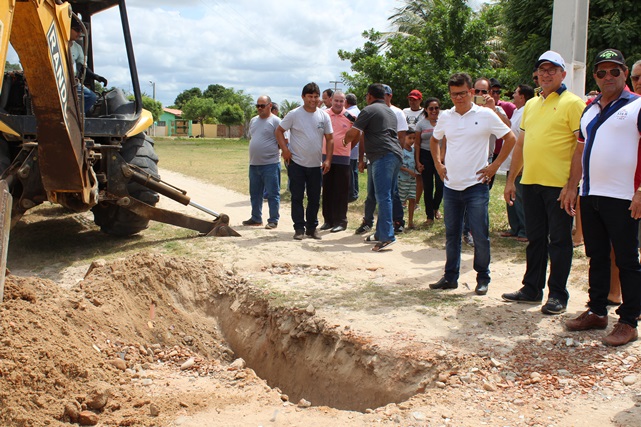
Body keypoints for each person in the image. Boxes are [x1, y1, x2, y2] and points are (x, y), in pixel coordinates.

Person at [563, 49, 641, 346]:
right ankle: (597, 311)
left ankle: (629, 320)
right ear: (595, 76)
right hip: (591, 192)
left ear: (624, 74)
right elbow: (580, 150)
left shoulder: (637, 106)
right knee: (595, 255)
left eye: (614, 71)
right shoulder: (590, 108)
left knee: (626, 259)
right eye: (601, 72)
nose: (608, 77)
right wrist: (572, 186)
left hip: (623, 196)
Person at [502, 51, 586, 315]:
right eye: (542, 69)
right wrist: (512, 180)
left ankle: (558, 295)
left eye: (553, 69)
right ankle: (531, 288)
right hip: (532, 183)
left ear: (563, 74)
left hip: (559, 187)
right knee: (535, 238)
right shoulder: (532, 106)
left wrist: (572, 185)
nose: (547, 74)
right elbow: (521, 144)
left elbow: (580, 148)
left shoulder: (574, 103)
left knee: (559, 241)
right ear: (536, 75)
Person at [429, 72, 515, 296]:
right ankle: (450, 277)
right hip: (451, 185)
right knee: (452, 234)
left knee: (479, 234)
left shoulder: (485, 115)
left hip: (476, 185)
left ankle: (483, 277)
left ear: (471, 92)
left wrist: (494, 166)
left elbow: (510, 138)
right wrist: (438, 164)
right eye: (454, 94)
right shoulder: (446, 116)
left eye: (463, 93)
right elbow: (434, 139)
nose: (458, 98)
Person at [343, 83, 402, 252]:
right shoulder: (389, 111)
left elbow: (354, 134)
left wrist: (344, 140)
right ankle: (380, 233)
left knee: (383, 196)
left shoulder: (369, 110)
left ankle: (387, 237)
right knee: (387, 196)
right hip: (394, 155)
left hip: (383, 155)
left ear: (369, 96)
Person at [275, 83, 333, 240]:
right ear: (303, 97)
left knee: (314, 198)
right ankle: (299, 228)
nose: (313, 100)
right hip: (297, 164)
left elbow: (330, 139)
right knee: (297, 197)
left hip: (316, 165)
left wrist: (328, 159)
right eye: (310, 96)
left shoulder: (323, 116)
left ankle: (312, 228)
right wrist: (285, 150)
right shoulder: (294, 114)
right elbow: (279, 131)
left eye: (316, 97)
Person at [498, 84, 534, 242]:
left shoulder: (528, 111)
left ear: (523, 96)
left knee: (520, 197)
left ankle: (525, 230)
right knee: (510, 196)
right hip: (510, 162)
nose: (513, 94)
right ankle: (515, 227)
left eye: (516, 92)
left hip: (520, 163)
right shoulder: (517, 111)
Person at [243, 96, 281, 229]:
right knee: (255, 193)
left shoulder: (276, 121)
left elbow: (283, 141)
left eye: (262, 105)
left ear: (269, 105)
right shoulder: (253, 120)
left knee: (272, 193)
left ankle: (273, 220)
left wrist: (271, 152)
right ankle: (256, 218)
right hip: (254, 164)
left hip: (270, 164)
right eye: (257, 106)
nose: (259, 108)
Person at [320, 91, 352, 233]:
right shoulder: (323, 114)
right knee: (327, 189)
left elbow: (357, 135)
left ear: (345, 102)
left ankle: (341, 221)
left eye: (341, 101)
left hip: (343, 158)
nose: (339, 103)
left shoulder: (350, 117)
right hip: (325, 157)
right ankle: (328, 220)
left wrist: (347, 145)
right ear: (331, 100)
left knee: (341, 191)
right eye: (336, 100)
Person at [415, 97, 444, 224]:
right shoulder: (421, 124)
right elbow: (417, 144)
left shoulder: (443, 122)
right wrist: (417, 161)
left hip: (439, 156)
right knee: (428, 187)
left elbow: (446, 141)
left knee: (440, 185)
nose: (434, 110)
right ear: (426, 110)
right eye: (431, 108)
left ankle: (435, 207)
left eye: (436, 108)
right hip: (425, 156)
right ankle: (429, 216)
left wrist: (442, 157)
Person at [69, 19, 108, 114]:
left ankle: (77, 116)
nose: (79, 33)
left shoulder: (77, 48)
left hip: (70, 82)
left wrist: (96, 77)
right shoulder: (56, 43)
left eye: (81, 31)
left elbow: (83, 67)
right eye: (77, 30)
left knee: (91, 97)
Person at [398, 128, 418, 229]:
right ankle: (399, 221)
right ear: (404, 137)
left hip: (412, 180)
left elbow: (415, 164)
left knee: (412, 199)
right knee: (401, 201)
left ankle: (410, 221)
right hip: (402, 179)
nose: (412, 140)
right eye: (409, 138)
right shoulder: (401, 150)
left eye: (414, 138)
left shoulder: (414, 151)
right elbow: (398, 165)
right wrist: (409, 171)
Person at [345, 93, 361, 202]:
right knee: (353, 171)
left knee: (349, 171)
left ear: (346, 101)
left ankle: (351, 193)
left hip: (350, 146)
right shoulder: (359, 111)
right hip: (357, 147)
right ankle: (355, 192)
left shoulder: (349, 113)